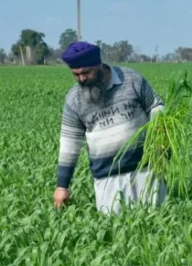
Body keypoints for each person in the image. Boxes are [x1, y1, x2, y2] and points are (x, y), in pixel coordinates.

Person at [54, 41, 167, 214]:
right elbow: (70, 144)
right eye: (76, 74)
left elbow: (155, 105)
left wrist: (160, 126)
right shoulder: (74, 100)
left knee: (157, 224)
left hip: (146, 171)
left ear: (99, 65)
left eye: (86, 72)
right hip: (108, 181)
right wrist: (62, 186)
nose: (82, 79)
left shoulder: (131, 79)